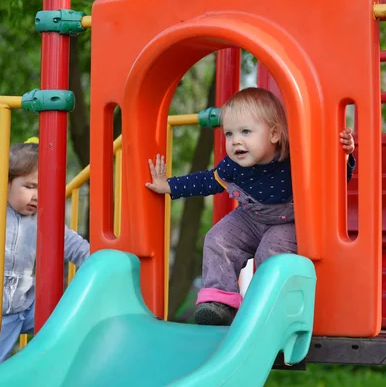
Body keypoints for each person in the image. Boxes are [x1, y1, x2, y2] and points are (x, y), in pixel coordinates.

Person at [146, 87, 355, 326]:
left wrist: (344, 156)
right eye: (229, 134)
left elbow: (331, 180)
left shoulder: (294, 158)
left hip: (288, 223)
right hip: (250, 218)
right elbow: (207, 181)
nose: (236, 141)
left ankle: (266, 307)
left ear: (274, 134)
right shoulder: (233, 166)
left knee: (271, 250)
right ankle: (219, 302)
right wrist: (169, 186)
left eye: (246, 131)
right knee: (218, 238)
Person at [0, 138, 90, 382]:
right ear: (5, 182)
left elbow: (76, 247)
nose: (37, 196)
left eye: (44, 188)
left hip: (26, 305)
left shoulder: (43, 217)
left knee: (69, 319)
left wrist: (104, 264)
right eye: (30, 186)